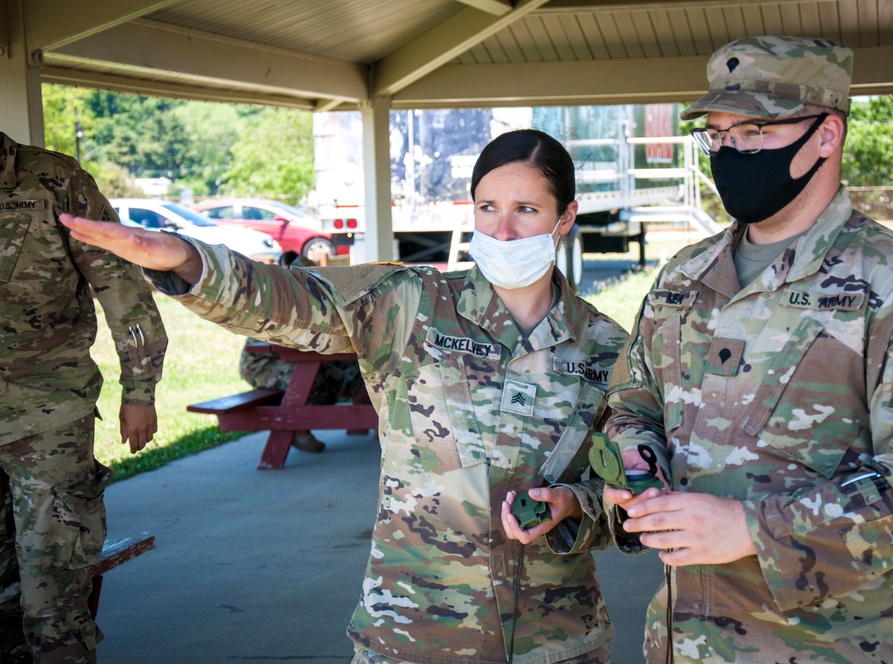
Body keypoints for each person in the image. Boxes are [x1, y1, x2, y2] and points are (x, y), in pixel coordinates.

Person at [60, 129, 628, 664]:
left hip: (556, 642)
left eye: (526, 210)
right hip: (414, 635)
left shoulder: (609, 350)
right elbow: (290, 299)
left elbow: (632, 492)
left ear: (566, 217)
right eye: (487, 209)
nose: (502, 232)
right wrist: (190, 262)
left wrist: (576, 505)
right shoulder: (410, 304)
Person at [601, 36, 893, 663]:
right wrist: (639, 470)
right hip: (682, 641)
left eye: (753, 131)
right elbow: (631, 404)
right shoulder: (683, 276)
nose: (730, 152)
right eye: (719, 134)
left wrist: (752, 531)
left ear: (827, 136)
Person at [0, 132, 168, 663]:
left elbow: (123, 286)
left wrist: (139, 390)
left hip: (45, 416)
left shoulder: (53, 179)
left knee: (53, 598)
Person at [237, 252, 363, 453]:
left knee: (348, 371)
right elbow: (285, 344)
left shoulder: (312, 301)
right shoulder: (279, 299)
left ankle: (370, 420)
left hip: (294, 359)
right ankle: (296, 430)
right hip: (262, 364)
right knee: (314, 381)